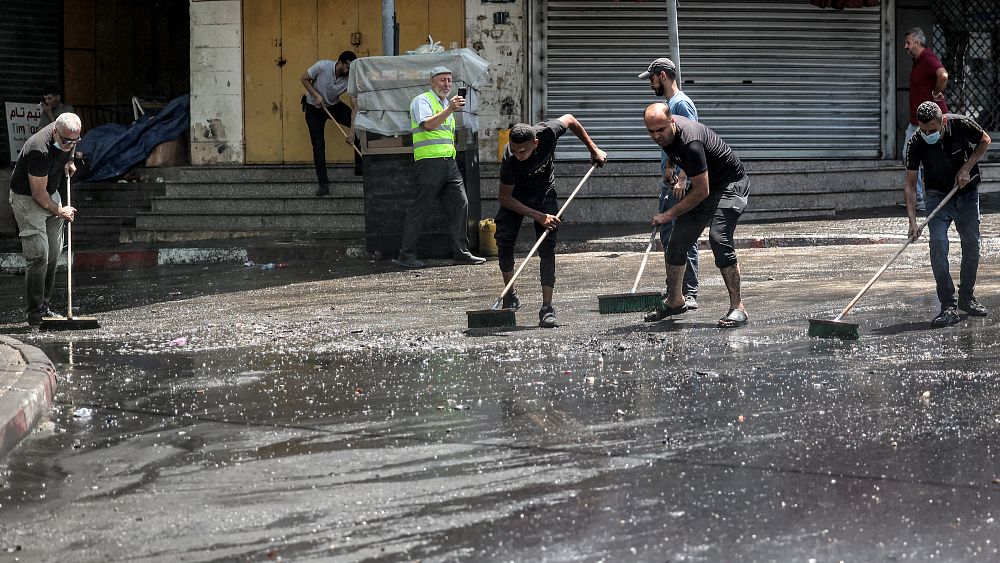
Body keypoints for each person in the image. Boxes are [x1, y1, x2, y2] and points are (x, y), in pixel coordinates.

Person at [642, 103, 751, 328]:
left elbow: (702, 191)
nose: (656, 136)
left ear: (672, 121)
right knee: (678, 241)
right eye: (651, 131)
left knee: (719, 238)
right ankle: (675, 301)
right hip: (709, 184)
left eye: (660, 130)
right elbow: (671, 149)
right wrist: (670, 169)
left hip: (731, 184)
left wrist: (668, 214)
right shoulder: (667, 135)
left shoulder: (691, 142)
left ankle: (738, 308)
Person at [495, 117, 607, 328]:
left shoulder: (547, 132)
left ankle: (547, 308)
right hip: (515, 198)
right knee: (504, 240)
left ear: (536, 143)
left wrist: (593, 149)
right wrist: (538, 216)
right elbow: (504, 198)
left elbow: (571, 120)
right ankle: (510, 296)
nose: (519, 155)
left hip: (543, 193)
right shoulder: (510, 162)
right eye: (515, 150)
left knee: (547, 247)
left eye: (524, 151)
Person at [903, 101, 991, 327]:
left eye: (932, 130)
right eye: (923, 130)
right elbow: (910, 185)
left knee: (971, 244)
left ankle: (967, 297)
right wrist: (913, 222)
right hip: (936, 195)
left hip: (966, 193)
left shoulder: (960, 124)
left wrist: (966, 167)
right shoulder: (916, 142)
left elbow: (985, 140)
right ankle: (948, 304)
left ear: (942, 121)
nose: (928, 134)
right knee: (938, 244)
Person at [394, 66, 486, 270]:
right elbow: (427, 125)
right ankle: (406, 254)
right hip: (429, 162)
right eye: (442, 80)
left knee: (460, 203)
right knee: (421, 208)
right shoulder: (423, 100)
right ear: (432, 82)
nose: (446, 84)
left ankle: (461, 253)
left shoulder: (445, 104)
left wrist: (449, 109)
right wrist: (450, 109)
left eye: (449, 81)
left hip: (448, 163)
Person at [638, 57, 701, 320]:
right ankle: (675, 290)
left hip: (681, 181)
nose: (650, 84)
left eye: (651, 78)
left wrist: (684, 176)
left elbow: (693, 140)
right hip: (672, 178)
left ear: (662, 76)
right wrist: (667, 168)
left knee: (682, 234)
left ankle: (689, 292)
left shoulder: (680, 104)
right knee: (668, 235)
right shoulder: (667, 105)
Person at [8, 113, 82, 326]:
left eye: (75, 141)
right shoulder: (38, 149)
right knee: (39, 256)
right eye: (66, 141)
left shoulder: (69, 132)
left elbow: (72, 142)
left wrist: (69, 159)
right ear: (54, 131)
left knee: (52, 254)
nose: (70, 144)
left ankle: (45, 307)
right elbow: (38, 195)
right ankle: (35, 312)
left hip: (51, 194)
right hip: (28, 200)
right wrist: (60, 211)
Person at [898, 27, 949, 212]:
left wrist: (936, 92)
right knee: (910, 155)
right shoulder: (918, 61)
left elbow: (943, 75)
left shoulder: (927, 58)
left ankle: (923, 197)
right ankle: (918, 197)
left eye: (908, 43)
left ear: (917, 43)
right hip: (918, 122)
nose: (906, 47)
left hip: (930, 122)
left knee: (916, 155)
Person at [301, 50, 360, 196]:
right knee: (318, 145)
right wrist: (316, 95)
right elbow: (304, 78)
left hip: (333, 106)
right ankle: (323, 185)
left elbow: (355, 107)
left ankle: (360, 169)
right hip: (314, 108)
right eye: (347, 67)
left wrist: (352, 133)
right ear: (340, 62)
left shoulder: (350, 79)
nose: (348, 72)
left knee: (359, 128)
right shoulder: (322, 67)